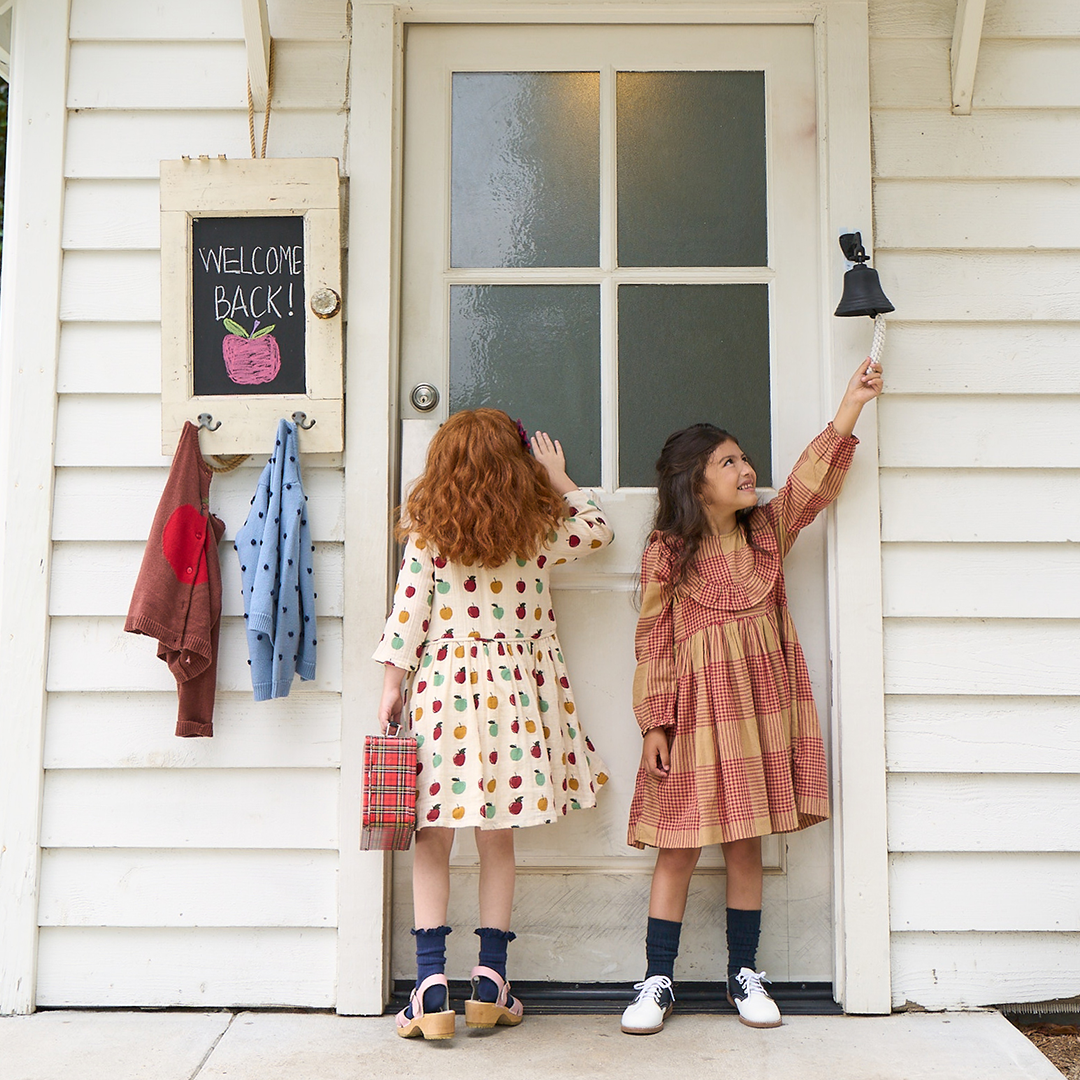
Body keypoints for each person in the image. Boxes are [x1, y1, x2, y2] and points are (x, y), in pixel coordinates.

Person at [620, 358, 884, 1035]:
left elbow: (810, 483)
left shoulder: (766, 534)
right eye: (730, 461)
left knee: (745, 845)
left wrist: (850, 405)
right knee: (677, 845)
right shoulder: (666, 554)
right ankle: (657, 978)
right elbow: (652, 639)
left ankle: (745, 972)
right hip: (696, 721)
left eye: (744, 458)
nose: (747, 469)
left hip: (761, 716)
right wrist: (655, 724)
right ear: (696, 483)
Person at [374, 408, 613, 1041]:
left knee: (433, 832)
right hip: (513, 699)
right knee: (496, 833)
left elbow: (408, 616)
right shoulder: (536, 532)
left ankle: (428, 987)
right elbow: (598, 531)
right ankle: (490, 980)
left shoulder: (429, 536)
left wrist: (392, 686)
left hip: (443, 693)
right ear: (517, 468)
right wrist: (560, 479)